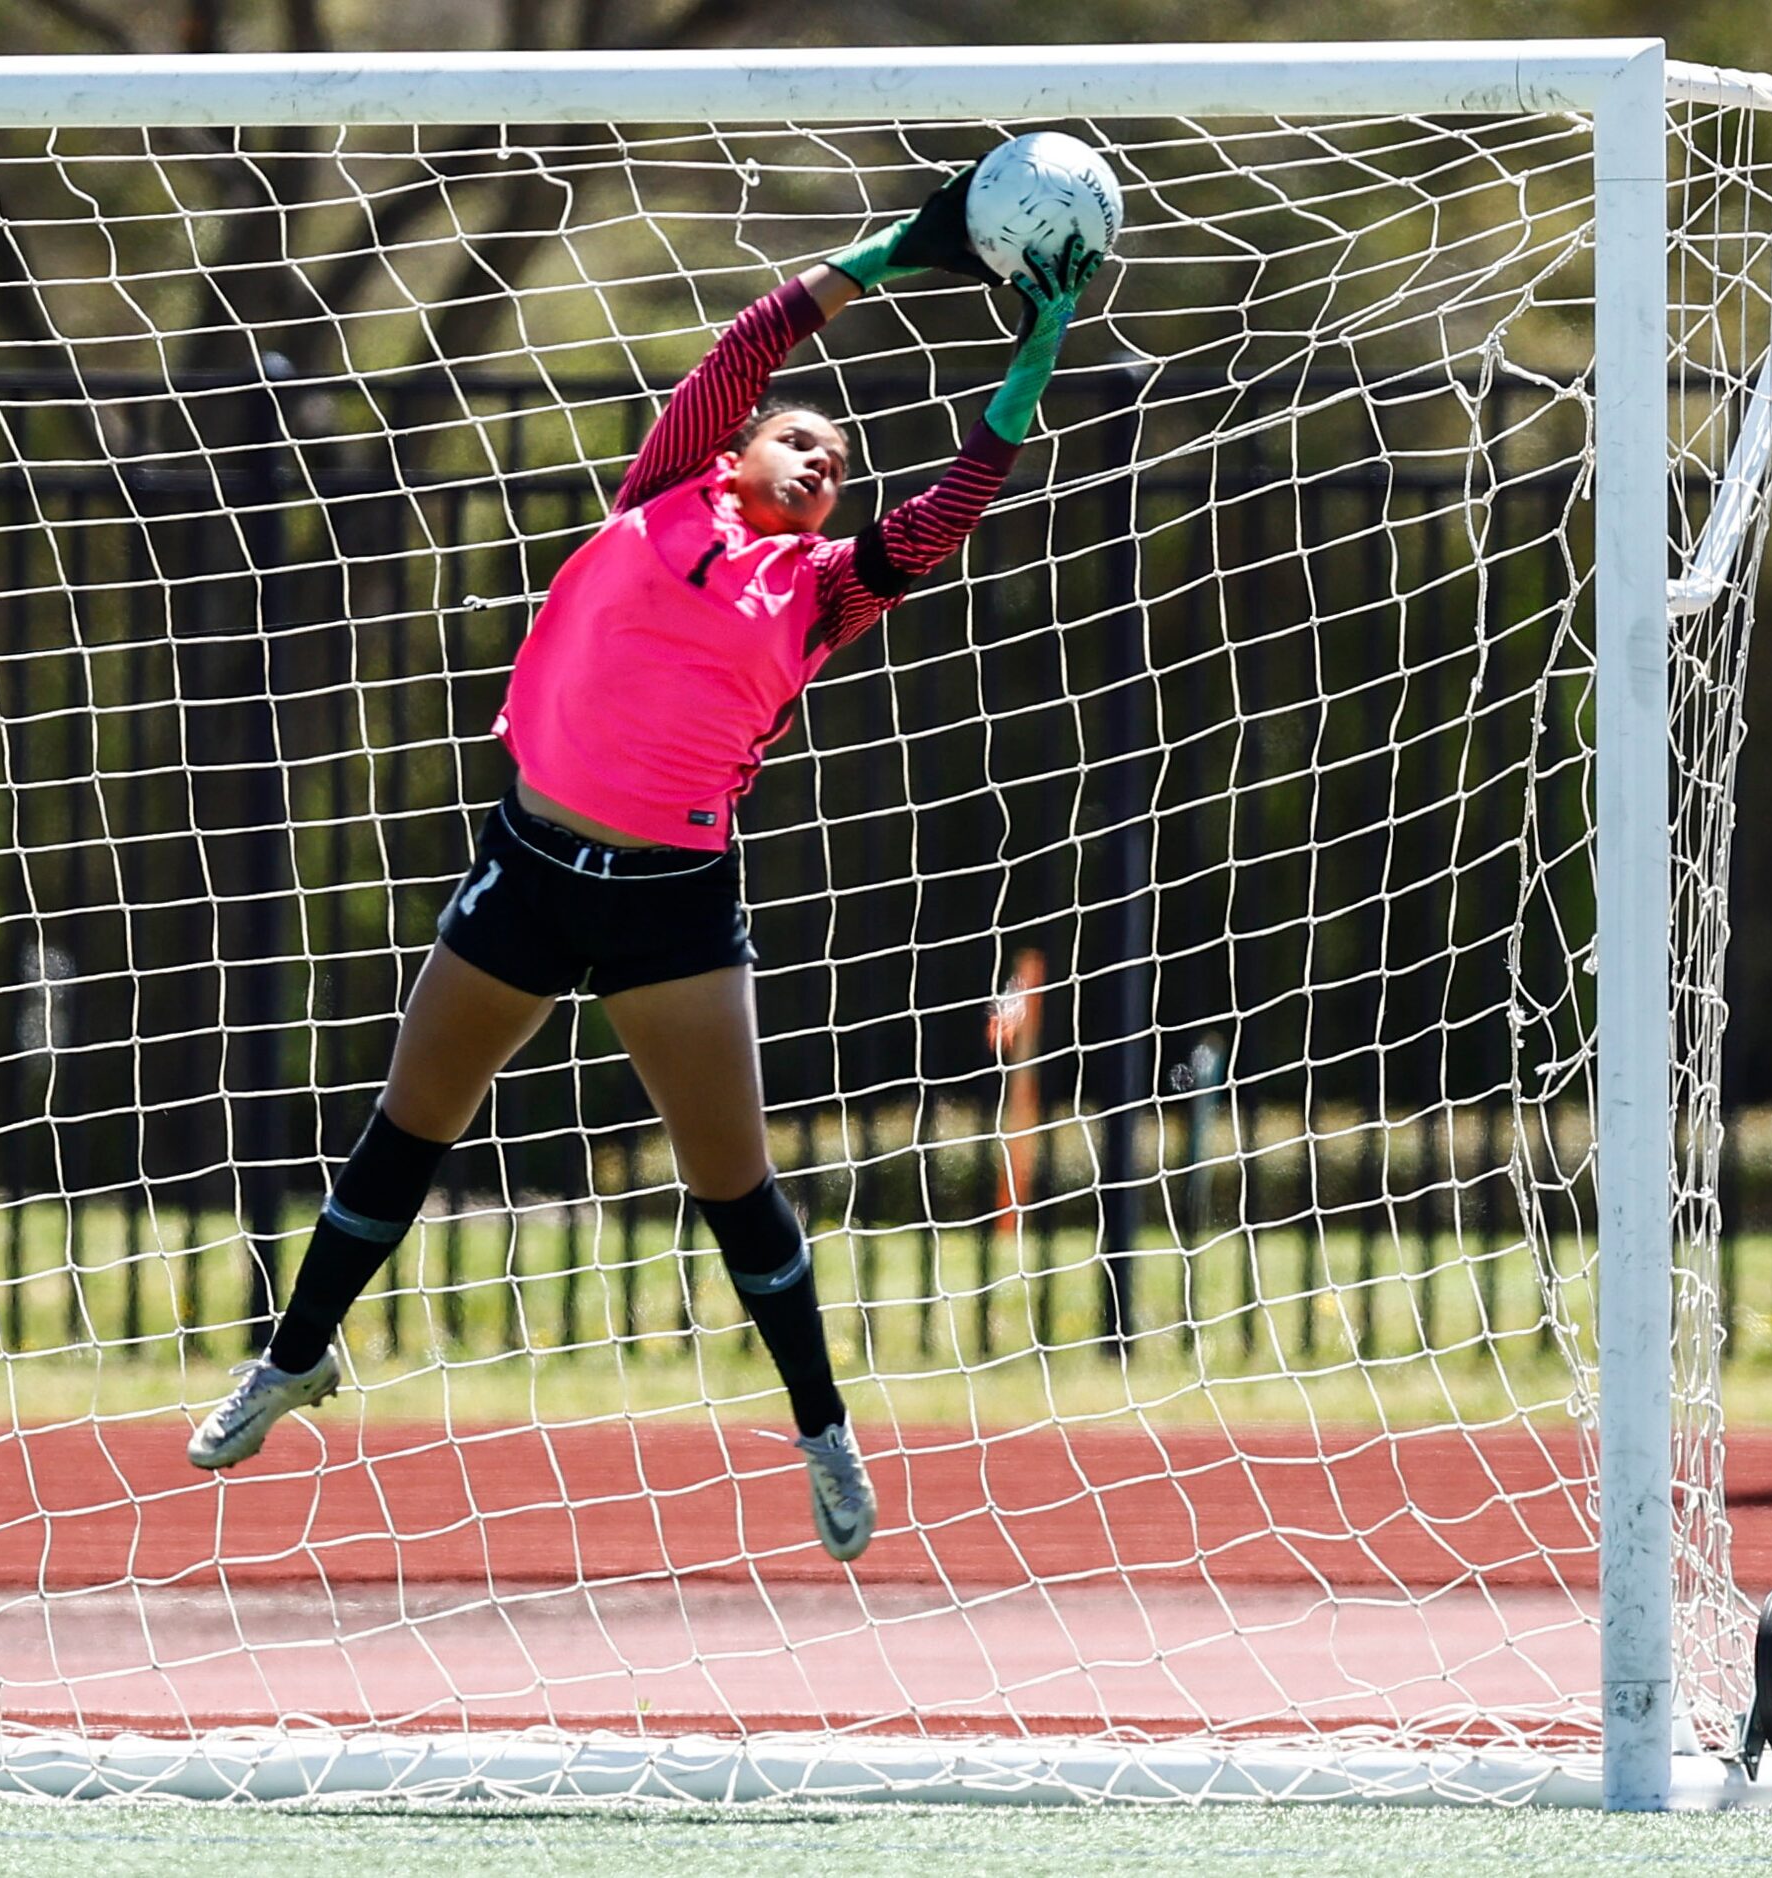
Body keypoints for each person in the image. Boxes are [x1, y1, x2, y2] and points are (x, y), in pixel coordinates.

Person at [187, 167, 1102, 1564]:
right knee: (405, 1127)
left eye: (838, 467)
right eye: (797, 443)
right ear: (733, 456)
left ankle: (819, 1427)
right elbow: (747, 349)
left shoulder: (822, 592)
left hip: (673, 905)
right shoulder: (662, 491)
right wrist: (884, 256)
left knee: (731, 1182)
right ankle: (296, 1354)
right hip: (529, 870)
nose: (819, 464)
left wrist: (1032, 350)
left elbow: (955, 499)